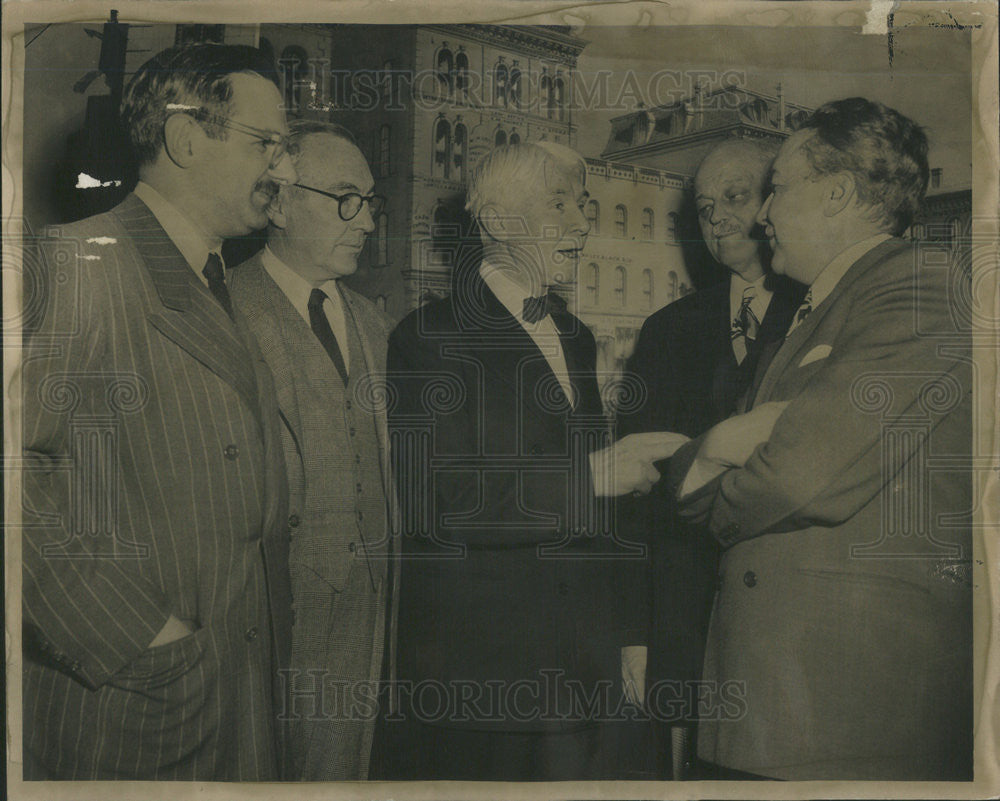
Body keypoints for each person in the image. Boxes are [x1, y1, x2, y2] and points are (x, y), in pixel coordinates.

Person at [669, 98, 973, 780]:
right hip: (781, 704)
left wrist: (723, 458)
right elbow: (718, 471)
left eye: (776, 187)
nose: (761, 214)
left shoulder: (920, 287)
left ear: (837, 193)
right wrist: (721, 443)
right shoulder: (814, 312)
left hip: (847, 709)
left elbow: (802, 476)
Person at [21, 44, 298, 780]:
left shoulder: (214, 279)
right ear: (185, 139)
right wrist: (142, 635)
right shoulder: (75, 263)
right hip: (132, 715)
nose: (285, 169)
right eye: (267, 144)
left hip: (229, 707)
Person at [378, 142, 687, 780]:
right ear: (495, 221)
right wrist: (596, 474)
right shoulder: (425, 336)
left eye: (581, 205)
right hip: (489, 687)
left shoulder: (571, 335)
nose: (581, 223)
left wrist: (631, 633)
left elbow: (602, 521)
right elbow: (440, 501)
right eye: (558, 205)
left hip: (586, 673)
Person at [615, 139, 803, 778]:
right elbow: (635, 495)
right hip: (682, 616)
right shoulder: (666, 331)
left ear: (775, 204)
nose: (717, 217)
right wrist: (636, 632)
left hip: (784, 621)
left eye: (735, 197)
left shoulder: (820, 316)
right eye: (703, 207)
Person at [229, 120, 395, 780]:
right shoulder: (225, 310)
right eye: (346, 198)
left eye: (371, 202)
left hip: (372, 617)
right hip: (273, 625)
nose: (368, 222)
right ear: (281, 200)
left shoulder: (376, 322)